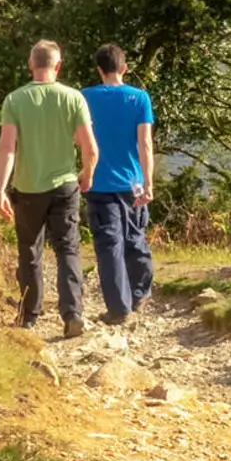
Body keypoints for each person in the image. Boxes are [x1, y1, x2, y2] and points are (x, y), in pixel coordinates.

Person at [0, 40, 98, 338]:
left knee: (29, 251)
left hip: (27, 189)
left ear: (30, 65)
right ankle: (72, 313)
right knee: (68, 248)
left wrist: (0, 188)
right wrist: (87, 173)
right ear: (58, 66)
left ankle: (29, 316)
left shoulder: (14, 100)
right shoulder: (73, 98)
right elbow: (89, 147)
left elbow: (7, 148)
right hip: (65, 184)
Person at [81, 43, 155, 325]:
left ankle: (118, 309)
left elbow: (79, 138)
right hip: (133, 182)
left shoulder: (84, 97)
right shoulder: (139, 98)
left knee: (109, 245)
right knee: (135, 237)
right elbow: (145, 143)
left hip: (98, 182)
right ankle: (139, 294)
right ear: (124, 68)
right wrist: (149, 182)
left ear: (99, 70)